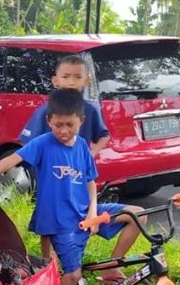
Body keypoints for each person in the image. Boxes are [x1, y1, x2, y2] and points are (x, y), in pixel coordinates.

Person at [0, 89, 142, 285]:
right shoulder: (43, 143)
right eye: (58, 125)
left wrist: (93, 210)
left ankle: (111, 268)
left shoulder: (82, 146)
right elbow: (11, 160)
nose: (63, 131)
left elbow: (90, 182)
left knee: (137, 215)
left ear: (81, 121)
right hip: (62, 223)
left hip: (85, 212)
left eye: (69, 125)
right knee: (72, 275)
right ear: (49, 121)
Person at [19, 54, 111, 261]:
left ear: (87, 79)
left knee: (76, 213)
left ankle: (73, 259)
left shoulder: (90, 110)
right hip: (52, 172)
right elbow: (28, 145)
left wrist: (88, 157)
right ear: (55, 80)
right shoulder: (48, 110)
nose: (71, 82)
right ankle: (46, 261)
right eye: (66, 76)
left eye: (77, 77)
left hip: (77, 172)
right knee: (48, 215)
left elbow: (104, 135)